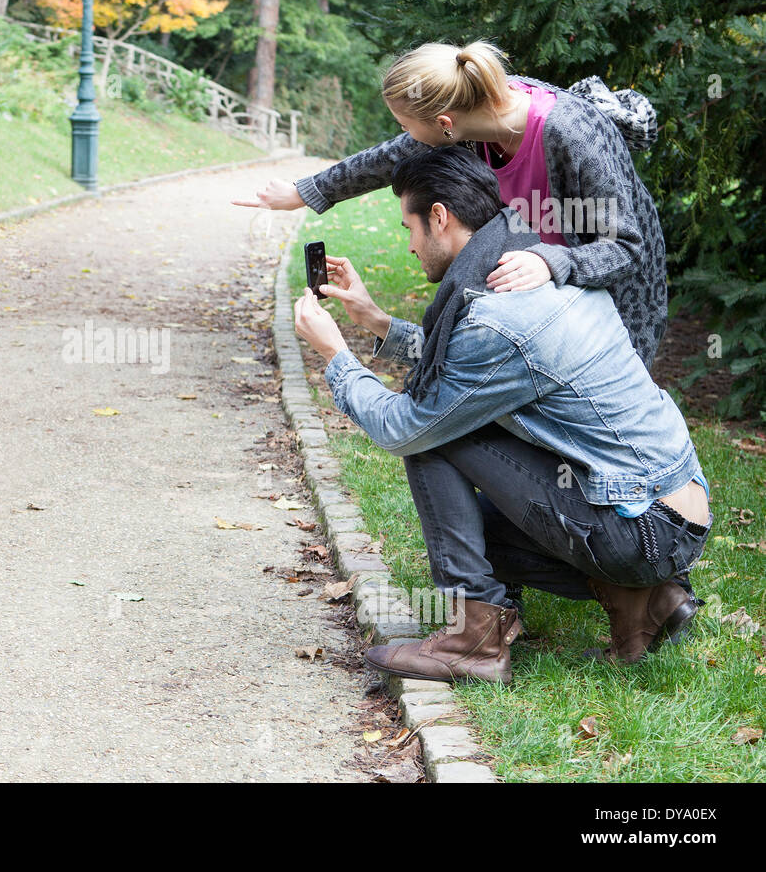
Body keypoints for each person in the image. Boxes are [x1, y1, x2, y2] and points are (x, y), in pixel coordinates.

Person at [292, 146, 708, 686]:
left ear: (440, 217)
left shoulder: (494, 314)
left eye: (409, 228)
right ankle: (645, 600)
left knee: (431, 433)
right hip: (673, 513)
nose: (411, 245)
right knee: (467, 509)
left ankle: (475, 642)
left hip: (643, 528)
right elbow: (480, 366)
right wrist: (375, 320)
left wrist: (336, 357)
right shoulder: (529, 259)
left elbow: (406, 425)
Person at [240, 40, 668, 368]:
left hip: (611, 314)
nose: (404, 138)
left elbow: (627, 247)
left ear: (444, 125)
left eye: (406, 125)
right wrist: (304, 192)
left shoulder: (572, 133)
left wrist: (552, 262)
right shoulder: (475, 118)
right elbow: (388, 158)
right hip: (535, 301)